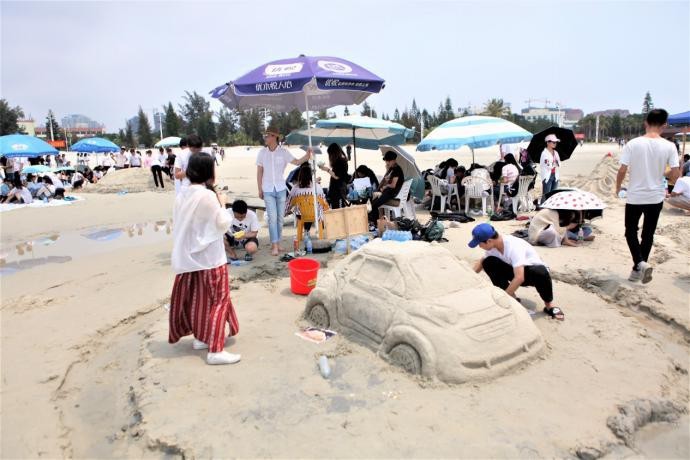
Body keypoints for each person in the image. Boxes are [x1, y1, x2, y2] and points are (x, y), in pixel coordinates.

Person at [168, 152, 241, 366]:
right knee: (219, 301)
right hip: (210, 258)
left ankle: (201, 338)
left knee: (200, 301)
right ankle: (215, 350)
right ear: (209, 172)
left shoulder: (182, 195)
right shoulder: (207, 196)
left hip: (190, 258)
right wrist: (223, 203)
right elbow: (222, 222)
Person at [615, 108, 680, 284]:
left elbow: (622, 170)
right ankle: (639, 267)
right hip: (656, 196)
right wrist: (664, 174)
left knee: (630, 231)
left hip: (635, 195)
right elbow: (675, 175)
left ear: (646, 123)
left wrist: (618, 187)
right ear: (664, 125)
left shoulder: (633, 144)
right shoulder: (669, 146)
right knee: (648, 234)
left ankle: (639, 264)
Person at [469, 223, 564, 320]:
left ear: (489, 241)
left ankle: (549, 305)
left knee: (540, 271)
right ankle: (513, 299)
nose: (479, 246)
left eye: (479, 244)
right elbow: (482, 261)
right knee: (488, 262)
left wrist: (504, 298)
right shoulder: (492, 246)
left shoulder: (513, 245)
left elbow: (519, 277)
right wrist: (469, 277)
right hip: (515, 271)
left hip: (531, 274)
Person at [256, 127, 311, 256]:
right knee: (272, 218)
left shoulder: (283, 152)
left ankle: (278, 242)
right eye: (265, 136)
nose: (265, 138)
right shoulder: (262, 153)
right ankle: (274, 245)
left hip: (281, 189)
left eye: (267, 136)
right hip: (267, 189)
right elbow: (259, 172)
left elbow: (297, 162)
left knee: (280, 218)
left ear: (274, 136)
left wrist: (307, 156)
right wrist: (259, 189)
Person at [368, 150, 404, 224]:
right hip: (388, 192)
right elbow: (387, 181)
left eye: (388, 161)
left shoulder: (397, 170)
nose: (387, 163)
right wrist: (387, 174)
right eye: (386, 161)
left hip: (392, 193)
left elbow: (393, 185)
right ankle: (374, 221)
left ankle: (375, 223)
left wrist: (386, 186)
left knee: (374, 205)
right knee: (371, 203)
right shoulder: (392, 169)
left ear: (393, 160)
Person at [319, 143, 349, 209]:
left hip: (339, 192)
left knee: (338, 211)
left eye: (330, 154)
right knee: (335, 211)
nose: (329, 157)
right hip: (335, 192)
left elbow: (337, 176)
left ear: (334, 153)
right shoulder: (340, 161)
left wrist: (327, 169)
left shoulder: (341, 162)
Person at [540, 134, 561, 202]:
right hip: (547, 177)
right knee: (546, 195)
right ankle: (543, 207)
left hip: (555, 175)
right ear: (548, 143)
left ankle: (550, 207)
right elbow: (548, 166)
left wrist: (554, 163)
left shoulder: (556, 152)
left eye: (556, 142)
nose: (555, 144)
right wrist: (555, 163)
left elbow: (559, 164)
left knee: (554, 195)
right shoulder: (544, 153)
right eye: (553, 142)